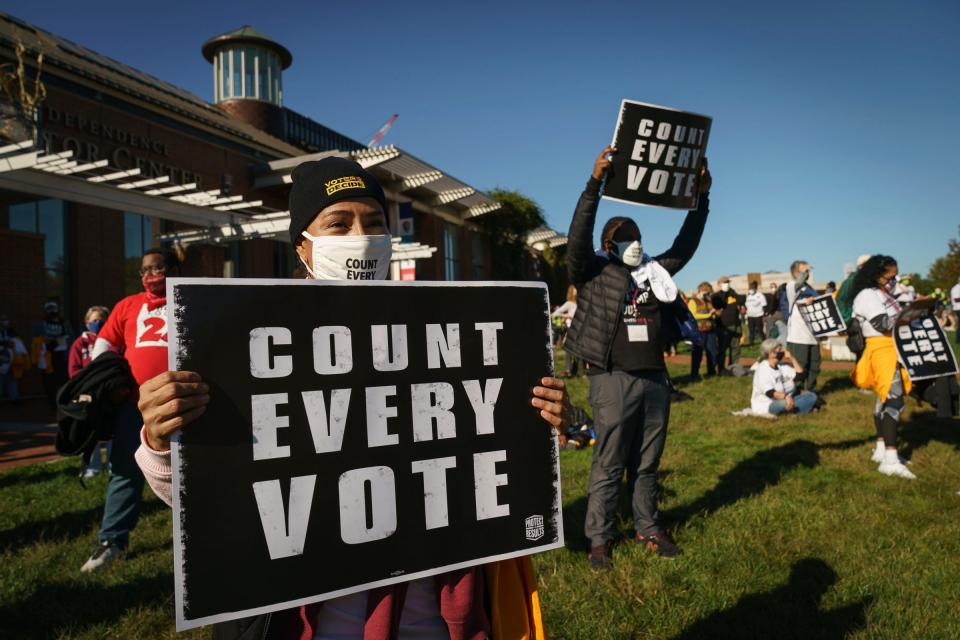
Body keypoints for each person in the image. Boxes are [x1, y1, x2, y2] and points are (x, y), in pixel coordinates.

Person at [134, 157, 570, 638]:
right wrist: (160, 439)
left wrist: (539, 421)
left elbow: (487, 456)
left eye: (375, 222)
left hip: (438, 616)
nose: (361, 235)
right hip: (313, 624)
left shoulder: (447, 333)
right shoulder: (248, 343)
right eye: (338, 223)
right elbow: (214, 498)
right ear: (303, 245)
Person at [565, 145, 712, 568]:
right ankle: (600, 540)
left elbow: (686, 244)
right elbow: (577, 237)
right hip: (612, 377)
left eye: (637, 237)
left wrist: (701, 198)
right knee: (608, 462)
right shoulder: (591, 271)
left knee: (647, 463)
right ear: (608, 244)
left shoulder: (656, 272)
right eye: (624, 239)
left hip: (654, 380)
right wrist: (595, 184)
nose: (634, 244)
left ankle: (649, 528)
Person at [79, 249, 181, 572]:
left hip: (186, 402)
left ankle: (201, 537)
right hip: (135, 406)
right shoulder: (127, 305)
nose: (151, 275)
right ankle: (112, 540)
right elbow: (106, 341)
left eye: (159, 267)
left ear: (174, 269)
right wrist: (103, 378)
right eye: (145, 270)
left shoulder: (190, 296)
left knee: (196, 473)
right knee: (125, 469)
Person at [850, 255, 915, 479]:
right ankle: (890, 459)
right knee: (894, 401)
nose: (894, 280)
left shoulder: (883, 294)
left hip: (891, 348)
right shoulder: (868, 295)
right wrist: (910, 312)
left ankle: (881, 448)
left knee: (884, 398)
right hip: (881, 349)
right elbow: (883, 324)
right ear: (877, 276)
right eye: (890, 276)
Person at [69, 305, 112, 478]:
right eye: (93, 320)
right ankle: (92, 467)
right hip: (86, 393)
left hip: (108, 393)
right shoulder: (80, 343)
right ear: (87, 322)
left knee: (111, 430)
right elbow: (73, 370)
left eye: (101, 320)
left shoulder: (111, 341)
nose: (97, 323)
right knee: (89, 430)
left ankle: (113, 465)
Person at [751, 339, 818, 415]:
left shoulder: (781, 366)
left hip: (787, 399)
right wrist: (786, 397)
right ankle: (798, 410)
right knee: (784, 403)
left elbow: (801, 375)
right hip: (767, 404)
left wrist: (792, 358)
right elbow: (770, 392)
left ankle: (794, 409)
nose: (783, 352)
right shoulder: (763, 369)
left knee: (811, 395)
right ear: (770, 353)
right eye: (779, 349)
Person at [784, 261, 821, 392]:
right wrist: (805, 272)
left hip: (813, 333)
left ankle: (812, 390)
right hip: (799, 334)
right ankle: (797, 391)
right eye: (803, 270)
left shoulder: (810, 288)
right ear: (796, 272)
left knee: (815, 364)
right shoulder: (791, 286)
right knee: (801, 364)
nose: (807, 273)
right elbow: (799, 283)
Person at [31, 301, 72, 410]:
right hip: (47, 357)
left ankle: (63, 402)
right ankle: (52, 404)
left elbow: (70, 337)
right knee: (49, 382)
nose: (52, 311)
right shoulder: (40, 324)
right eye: (49, 309)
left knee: (63, 380)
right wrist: (44, 341)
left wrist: (62, 341)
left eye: (54, 309)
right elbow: (34, 339)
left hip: (61, 356)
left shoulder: (64, 323)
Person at [688, 282, 718, 379]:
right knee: (697, 353)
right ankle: (694, 374)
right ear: (701, 291)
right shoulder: (693, 301)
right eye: (706, 292)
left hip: (710, 330)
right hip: (699, 331)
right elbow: (693, 315)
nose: (708, 294)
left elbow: (712, 314)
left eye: (709, 293)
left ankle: (711, 371)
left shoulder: (709, 301)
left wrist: (713, 314)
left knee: (712, 352)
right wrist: (708, 315)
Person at [711, 276, 743, 369]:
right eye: (724, 282)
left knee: (735, 347)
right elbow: (717, 306)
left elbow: (740, 301)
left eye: (728, 282)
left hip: (735, 323)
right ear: (719, 284)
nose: (727, 284)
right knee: (722, 348)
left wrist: (741, 305)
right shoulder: (716, 296)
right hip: (723, 325)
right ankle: (721, 368)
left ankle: (733, 366)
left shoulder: (733, 294)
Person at [0, 314, 29, 404]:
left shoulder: (11, 331)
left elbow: (16, 342)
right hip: (1, 358)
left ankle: (14, 399)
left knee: (12, 379)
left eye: (6, 319)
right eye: (3, 320)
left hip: (11, 359)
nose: (5, 322)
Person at [552, 285, 580, 376]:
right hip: (571, 328)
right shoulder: (569, 303)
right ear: (572, 291)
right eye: (575, 289)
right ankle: (569, 370)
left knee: (576, 350)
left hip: (578, 328)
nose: (576, 291)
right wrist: (567, 316)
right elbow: (556, 313)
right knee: (569, 348)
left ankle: (574, 370)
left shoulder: (578, 303)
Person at [951, 275, 960, 343]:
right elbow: (956, 299)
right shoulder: (956, 288)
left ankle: (958, 340)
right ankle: (958, 339)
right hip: (958, 308)